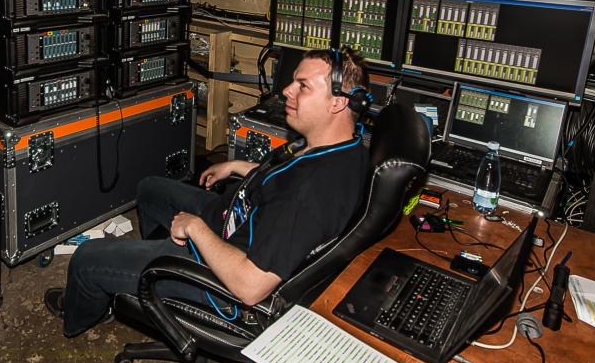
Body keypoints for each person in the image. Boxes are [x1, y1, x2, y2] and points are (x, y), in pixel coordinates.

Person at [44, 47, 371, 336]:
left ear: (339, 102)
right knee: (150, 189)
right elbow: (281, 179)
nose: (287, 90)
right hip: (235, 221)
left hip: (223, 274)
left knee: (87, 259)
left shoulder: (309, 194)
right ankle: (140, 280)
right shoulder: (340, 147)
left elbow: (251, 287)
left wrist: (195, 229)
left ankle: (84, 313)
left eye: (303, 85)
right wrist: (237, 166)